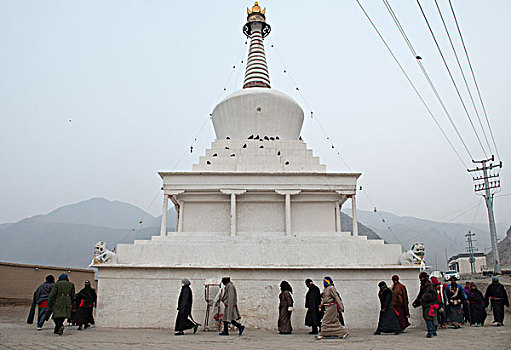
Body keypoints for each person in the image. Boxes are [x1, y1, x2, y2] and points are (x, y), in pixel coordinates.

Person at [412, 271, 438, 338]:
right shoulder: (423, 286)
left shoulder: (430, 286)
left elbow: (434, 295)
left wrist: (425, 296)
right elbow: (420, 295)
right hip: (425, 304)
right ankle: (433, 330)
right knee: (428, 318)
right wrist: (416, 302)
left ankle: (430, 331)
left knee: (428, 318)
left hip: (430, 304)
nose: (421, 279)